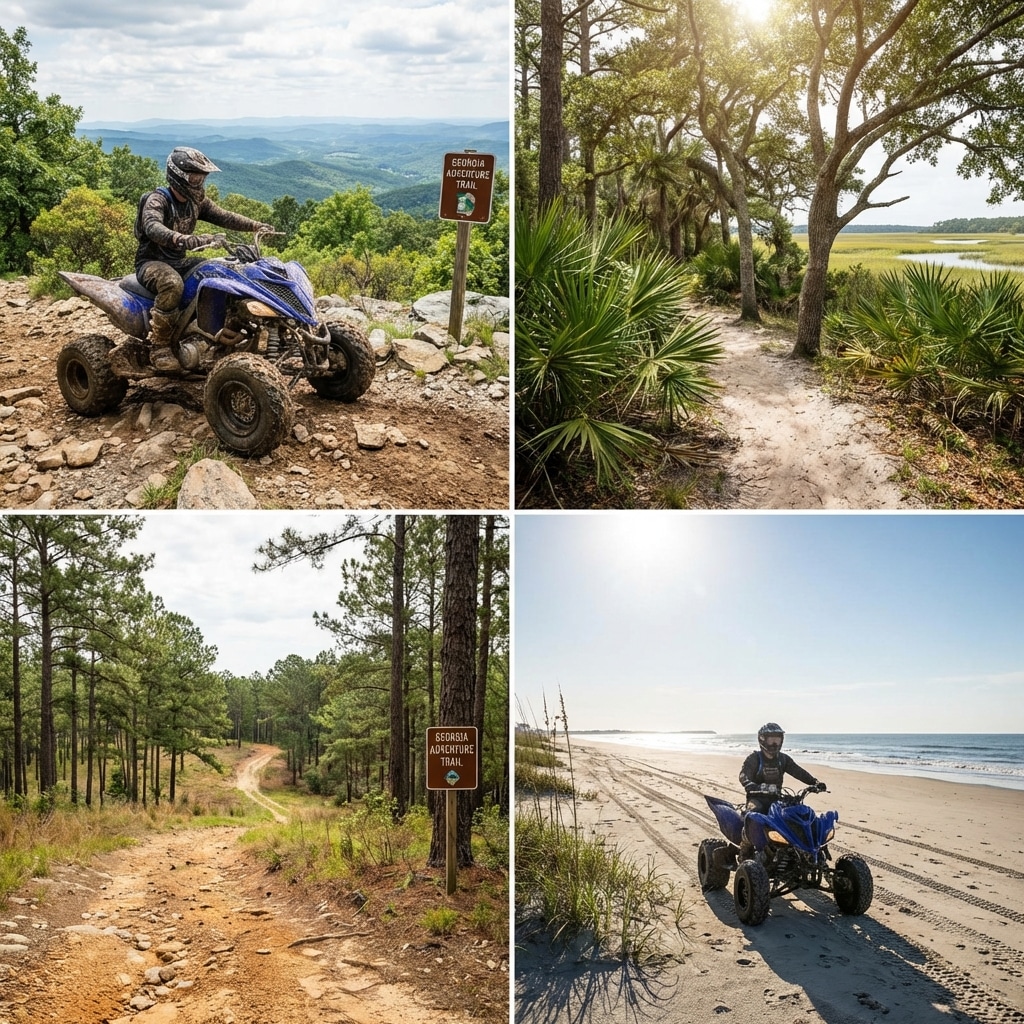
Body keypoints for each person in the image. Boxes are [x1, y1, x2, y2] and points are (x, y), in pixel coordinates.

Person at [134, 147, 274, 371]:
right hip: (151, 262)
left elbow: (223, 216)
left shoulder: (196, 201)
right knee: (172, 285)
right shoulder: (157, 200)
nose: (199, 182)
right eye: (194, 177)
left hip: (179, 261)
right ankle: (160, 347)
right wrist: (182, 239)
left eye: (202, 177)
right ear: (178, 176)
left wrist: (255, 225)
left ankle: (215, 331)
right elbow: (152, 226)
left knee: (220, 271)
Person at [738, 722, 825, 858]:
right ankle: (744, 849)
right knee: (752, 816)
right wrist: (750, 785)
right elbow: (743, 775)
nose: (774, 743)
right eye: (771, 739)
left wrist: (815, 782)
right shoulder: (754, 758)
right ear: (762, 740)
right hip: (757, 798)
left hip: (778, 799)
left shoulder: (783, 759)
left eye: (777, 739)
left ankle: (806, 849)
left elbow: (798, 771)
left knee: (800, 816)